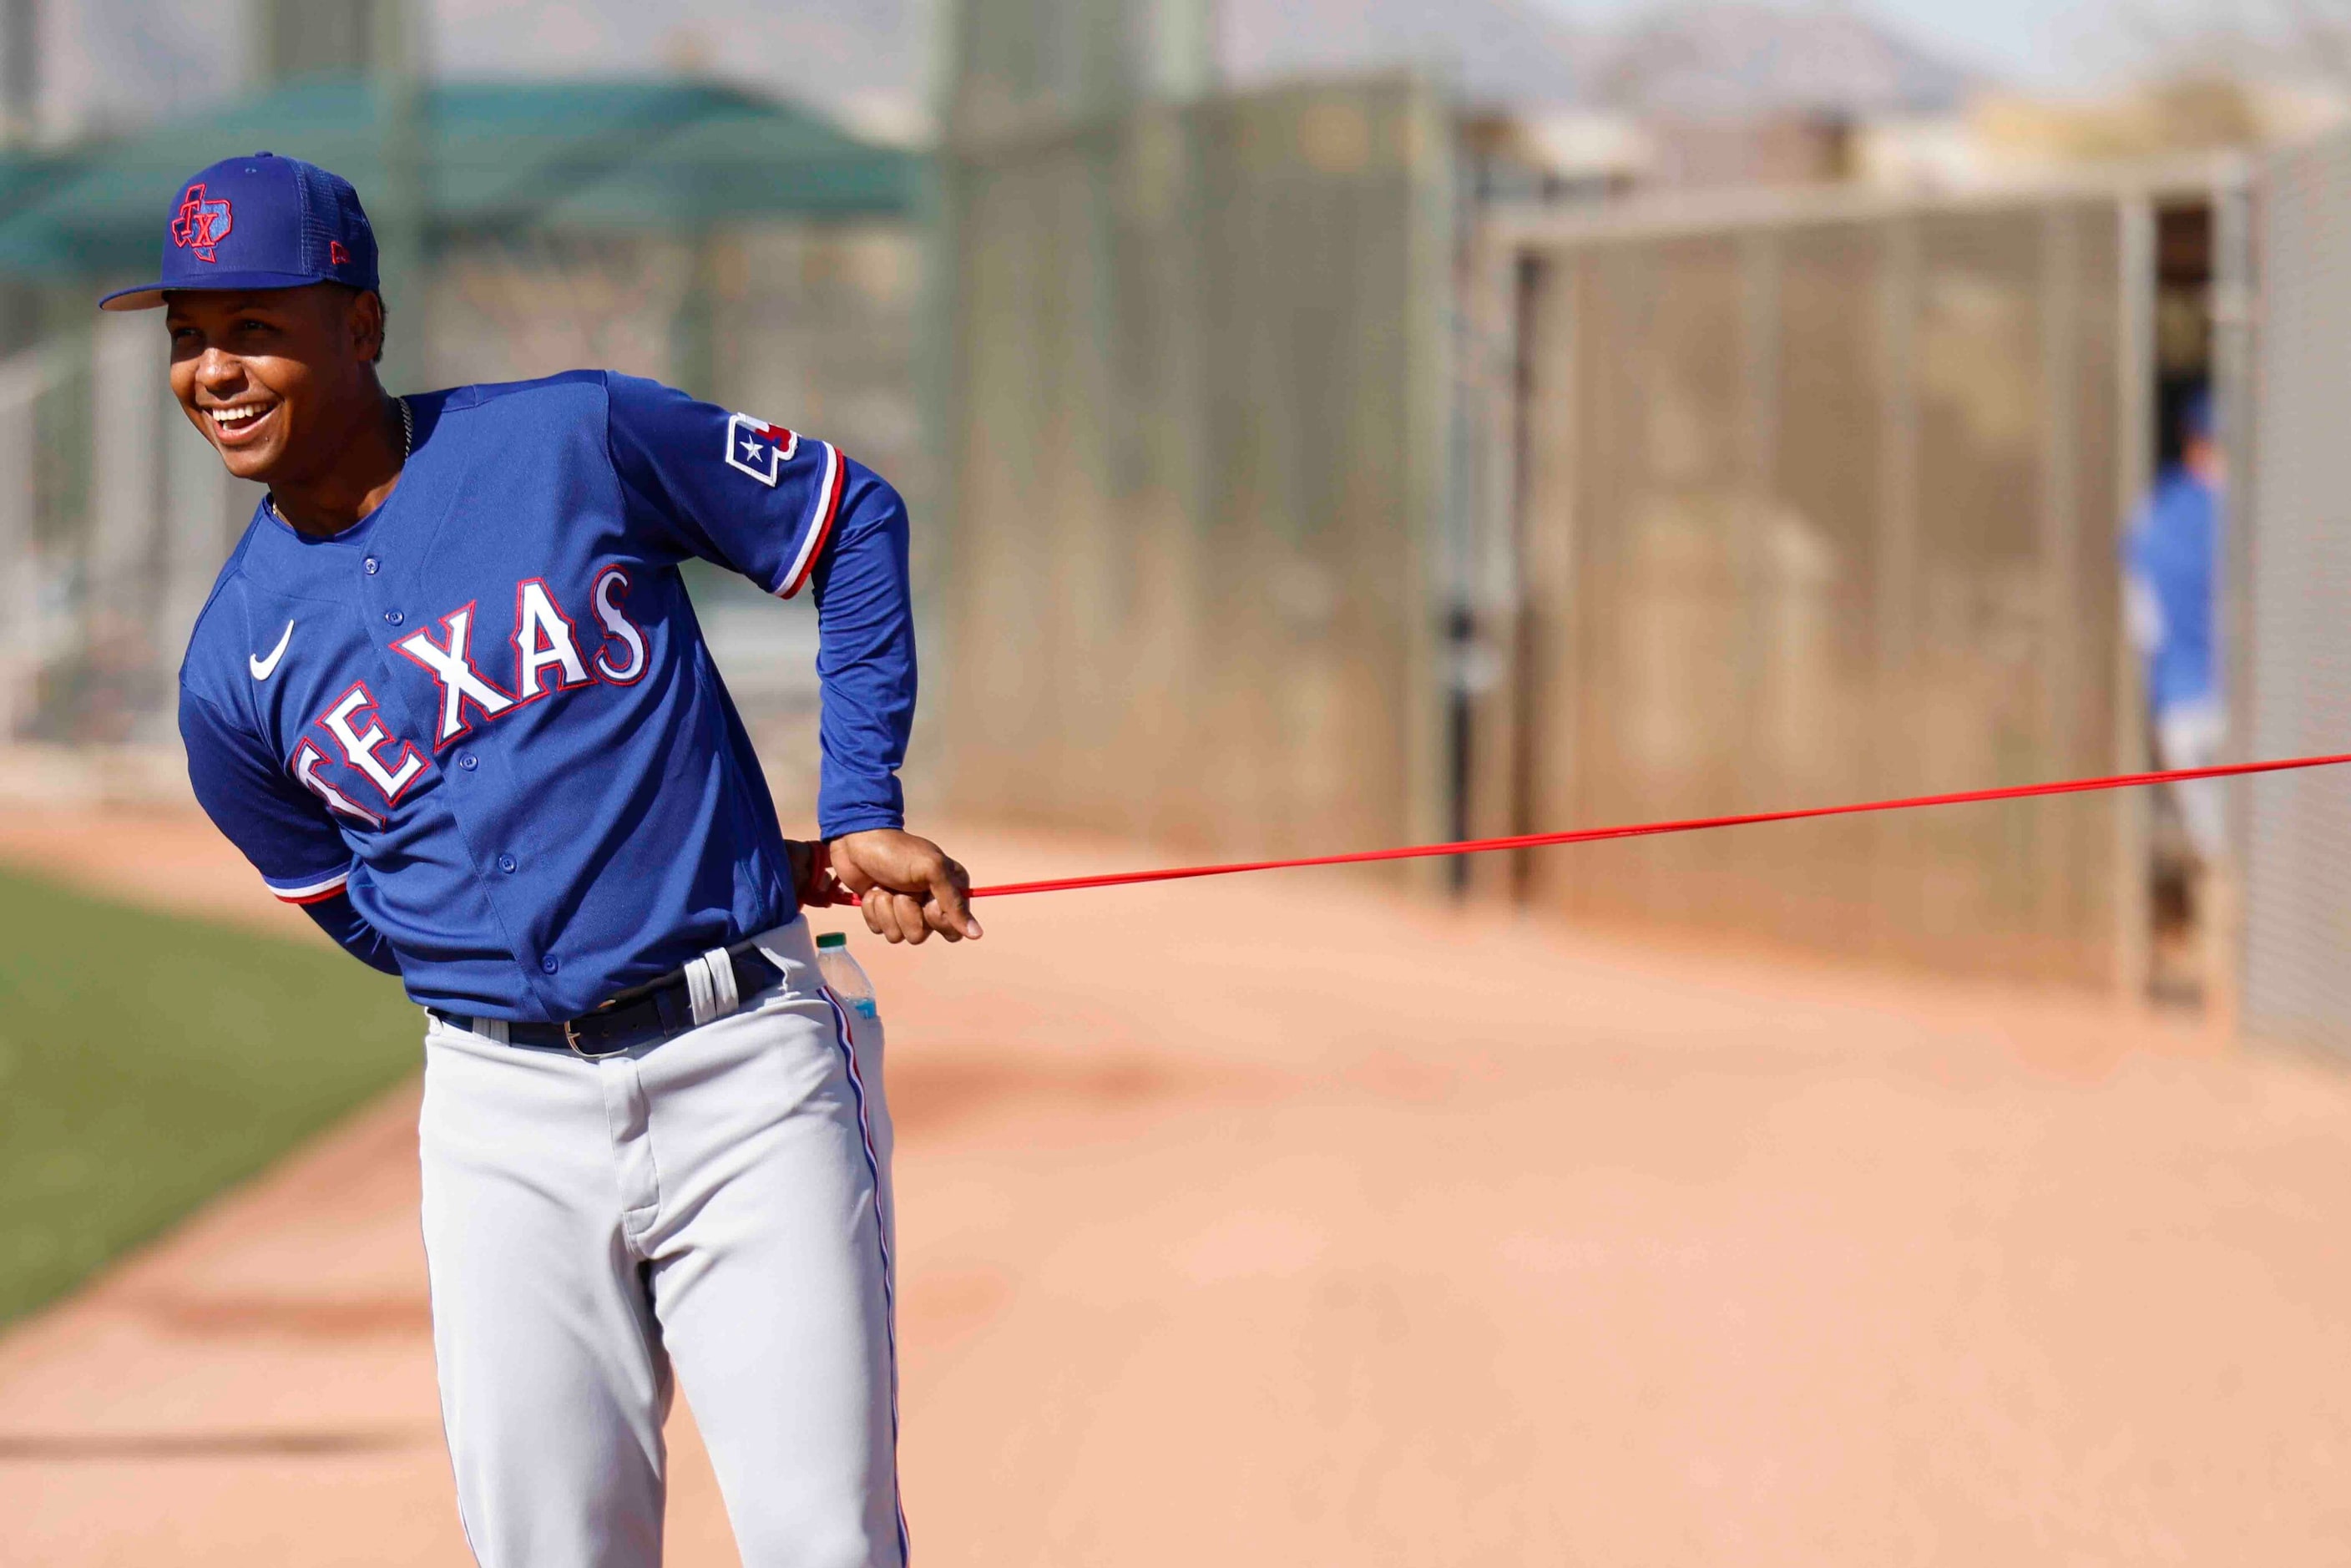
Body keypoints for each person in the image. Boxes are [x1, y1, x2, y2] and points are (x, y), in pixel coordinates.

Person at [109, 152, 974, 1566]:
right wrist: (582, 919)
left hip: (745, 1067)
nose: (215, 369)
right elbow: (377, 914)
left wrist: (856, 802)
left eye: (254, 326)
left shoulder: (575, 437)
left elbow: (849, 517)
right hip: (502, 1119)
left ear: (362, 325)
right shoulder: (228, 677)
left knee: (826, 1539)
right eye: (189, 336)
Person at [2124, 385, 2227, 866]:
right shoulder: (2252, 513)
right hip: (2249, 706)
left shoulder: (2153, 515)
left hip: (2181, 702)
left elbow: (2143, 628)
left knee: (2220, 852)